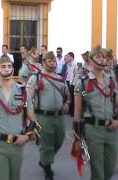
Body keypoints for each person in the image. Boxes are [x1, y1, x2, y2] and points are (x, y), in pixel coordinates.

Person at [0, 54, 38, 180]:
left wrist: (26, 137)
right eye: (3, 66)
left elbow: (33, 119)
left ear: (13, 69)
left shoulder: (23, 91)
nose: (6, 69)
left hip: (17, 144)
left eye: (9, 66)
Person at [73, 46, 118, 180]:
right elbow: (77, 114)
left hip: (110, 129)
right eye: (98, 57)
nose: (102, 59)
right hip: (93, 129)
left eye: (104, 57)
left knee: (110, 169)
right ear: (90, 60)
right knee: (98, 171)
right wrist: (77, 138)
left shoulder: (111, 80)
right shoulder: (82, 82)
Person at [27, 51, 70, 180]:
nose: (53, 63)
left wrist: (67, 103)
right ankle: (47, 169)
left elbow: (67, 94)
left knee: (60, 140)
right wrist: (31, 119)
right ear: (44, 62)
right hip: (43, 117)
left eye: (54, 61)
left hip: (58, 117)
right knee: (47, 144)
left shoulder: (59, 77)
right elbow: (28, 100)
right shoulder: (36, 77)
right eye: (50, 61)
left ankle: (45, 159)